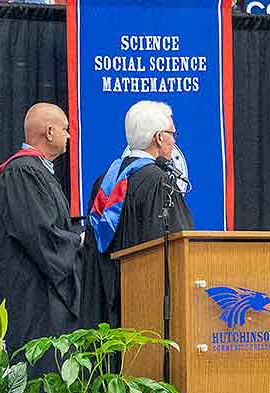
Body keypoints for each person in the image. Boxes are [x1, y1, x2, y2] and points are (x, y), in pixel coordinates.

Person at [0, 103, 83, 376]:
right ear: (49, 132)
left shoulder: (37, 171)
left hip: (41, 294)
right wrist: (79, 241)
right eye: (65, 129)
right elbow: (40, 234)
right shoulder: (22, 171)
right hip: (33, 298)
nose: (69, 136)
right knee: (40, 375)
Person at [76, 100, 195, 330]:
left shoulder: (104, 181)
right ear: (158, 138)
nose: (174, 140)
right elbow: (178, 248)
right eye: (172, 133)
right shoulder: (158, 181)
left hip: (104, 309)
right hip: (143, 310)